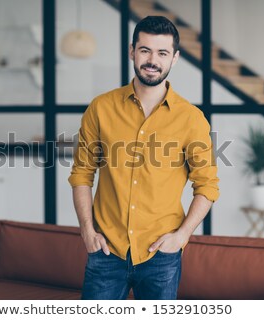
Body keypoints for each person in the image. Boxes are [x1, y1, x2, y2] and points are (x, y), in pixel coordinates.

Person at [68, 15, 219, 300]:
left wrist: (182, 236)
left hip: (161, 255)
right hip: (105, 251)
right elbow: (81, 174)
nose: (152, 60)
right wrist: (87, 232)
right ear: (131, 52)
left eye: (162, 53)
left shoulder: (191, 119)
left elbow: (208, 186)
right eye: (145, 50)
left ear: (174, 58)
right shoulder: (101, 108)